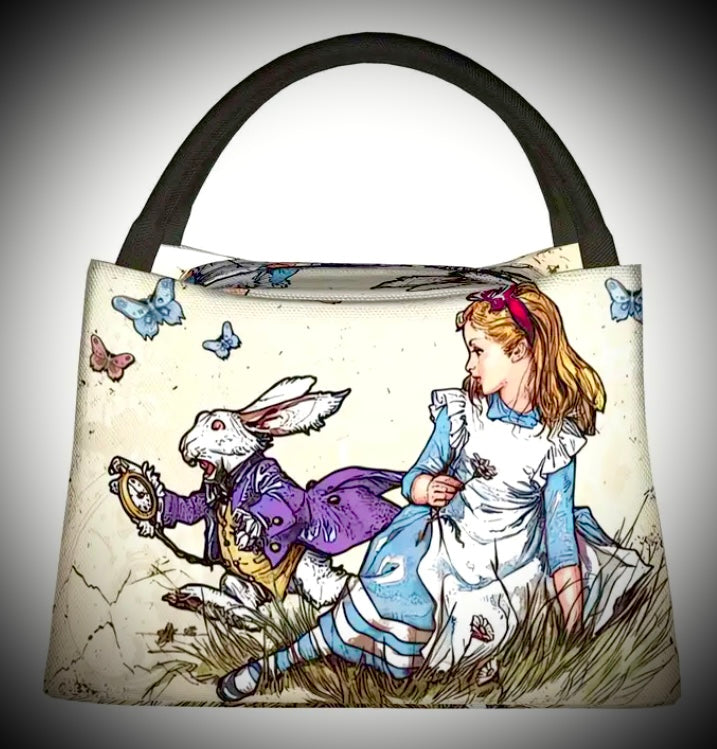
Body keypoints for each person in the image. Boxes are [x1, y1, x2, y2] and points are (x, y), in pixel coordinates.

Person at [216, 282, 651, 703]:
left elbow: (559, 534)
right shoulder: (463, 412)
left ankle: (478, 673)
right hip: (446, 546)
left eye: (478, 351)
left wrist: (572, 631)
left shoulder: (555, 439)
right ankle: (274, 664)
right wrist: (427, 489)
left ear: (519, 351)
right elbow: (414, 478)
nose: (470, 365)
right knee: (382, 600)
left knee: (486, 641)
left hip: (513, 565)